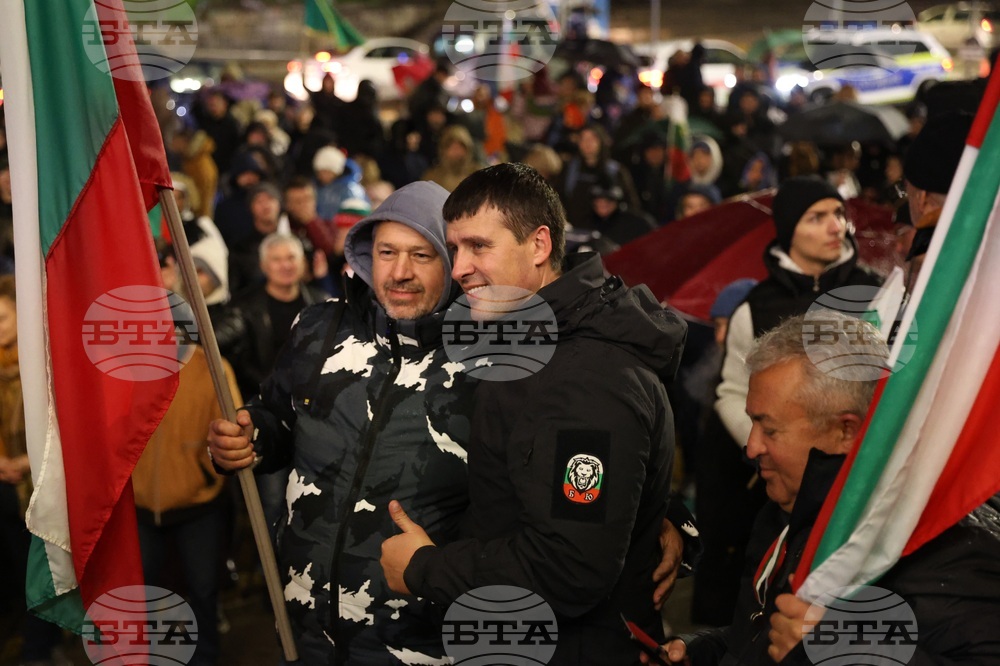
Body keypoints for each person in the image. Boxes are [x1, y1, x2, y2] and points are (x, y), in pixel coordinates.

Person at [380, 163, 691, 665]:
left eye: (479, 246)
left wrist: (425, 568)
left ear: (540, 246)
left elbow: (570, 568)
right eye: (455, 248)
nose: (459, 268)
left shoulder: (586, 377)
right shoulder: (525, 343)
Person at [207, 182, 479, 664]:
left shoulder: (483, 362)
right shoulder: (319, 326)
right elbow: (277, 415)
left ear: (453, 264)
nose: (400, 272)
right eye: (387, 252)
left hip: (416, 640)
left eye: (422, 255)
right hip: (303, 622)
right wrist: (250, 436)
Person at [647, 313, 1000, 664]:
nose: (751, 447)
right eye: (752, 421)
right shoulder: (791, 508)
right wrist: (704, 651)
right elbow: (767, 634)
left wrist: (841, 648)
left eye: (769, 429)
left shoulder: (940, 540)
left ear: (846, 430)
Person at [693, 175, 882, 625]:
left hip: (863, 482)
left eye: (838, 214)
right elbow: (730, 390)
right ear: (789, 229)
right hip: (780, 491)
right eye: (816, 218)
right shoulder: (755, 305)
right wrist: (769, 445)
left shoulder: (877, 294)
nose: (835, 226)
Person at [132, 249, 243, 666]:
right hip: (141, 505)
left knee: (202, 590)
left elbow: (229, 431)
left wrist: (205, 469)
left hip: (198, 505)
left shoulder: (209, 367)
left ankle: (205, 659)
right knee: (148, 595)